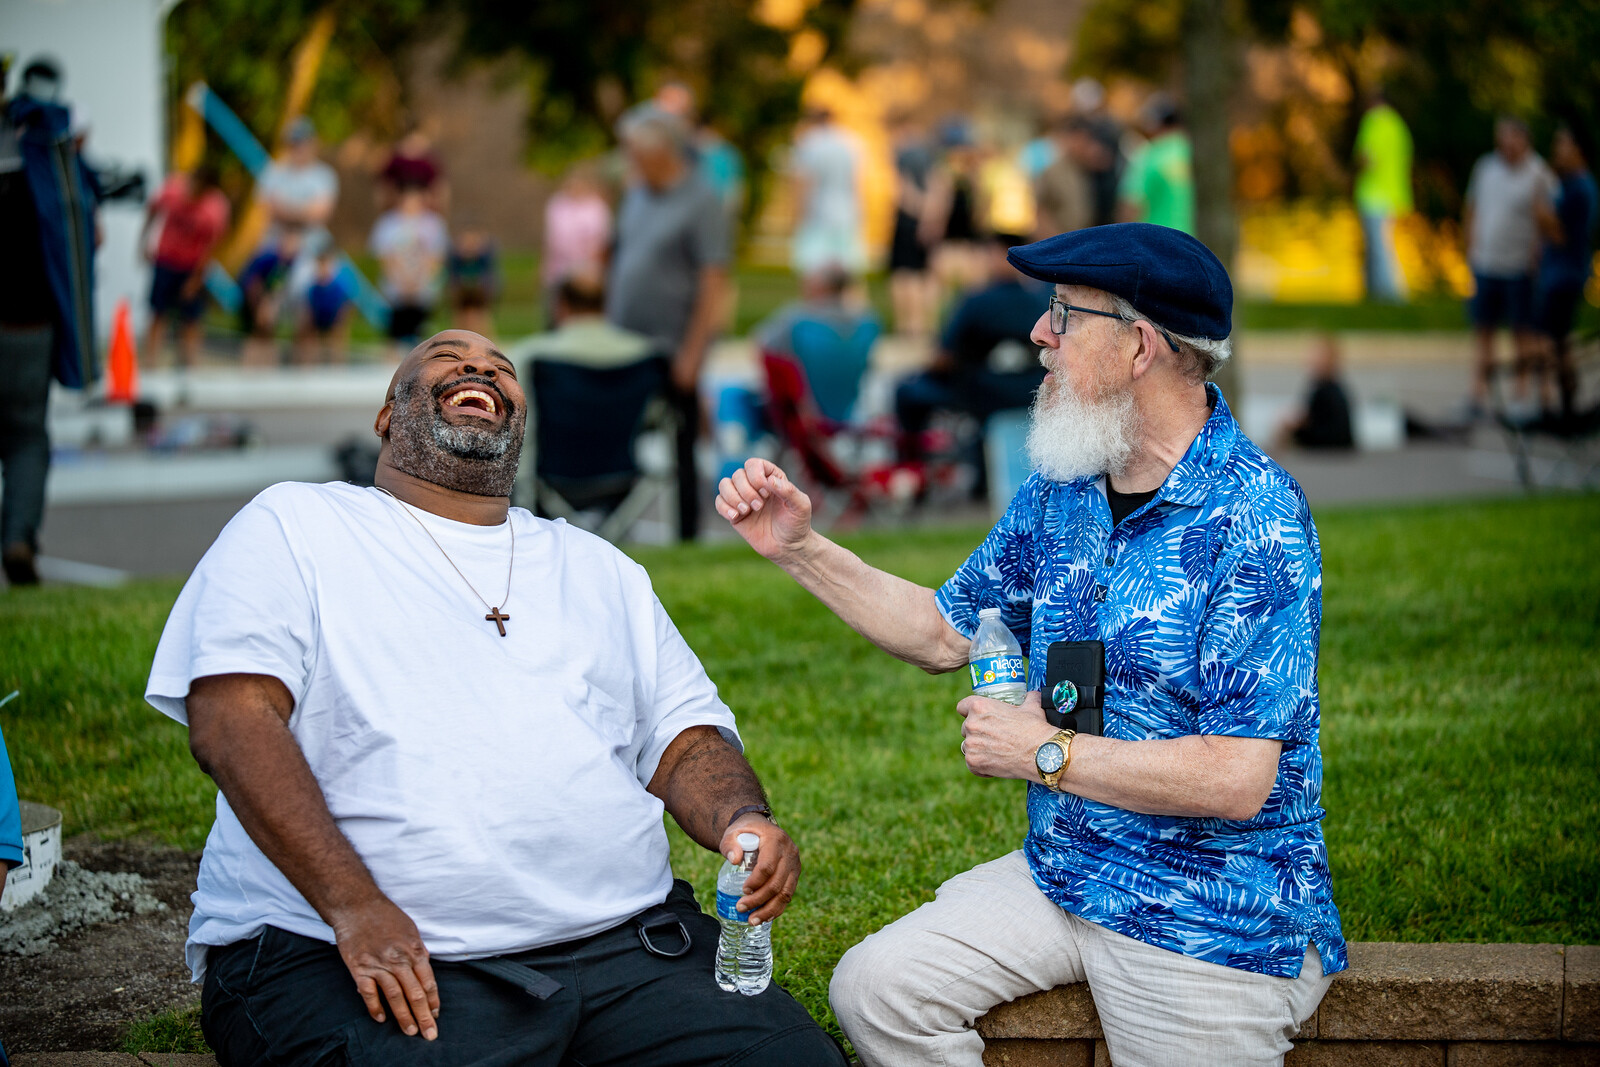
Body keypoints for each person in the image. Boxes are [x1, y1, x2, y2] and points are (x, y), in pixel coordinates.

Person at [718, 222, 1346, 1067]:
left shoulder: (1255, 519)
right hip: (1063, 873)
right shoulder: (1065, 488)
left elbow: (1237, 779)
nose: (1038, 335)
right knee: (877, 992)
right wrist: (799, 547)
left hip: (1210, 914)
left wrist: (1045, 754)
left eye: (1063, 314)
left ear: (1139, 347)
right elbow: (945, 629)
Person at [143, 328, 846, 1067]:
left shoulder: (598, 566)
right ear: (389, 415)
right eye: (447, 357)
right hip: (369, 955)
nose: (478, 366)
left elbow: (686, 738)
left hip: (627, 950)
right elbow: (232, 721)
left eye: (500, 367)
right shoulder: (296, 524)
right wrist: (355, 906)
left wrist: (745, 820)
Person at [606, 104, 731, 542]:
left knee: (680, 445)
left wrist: (693, 353)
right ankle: (613, 521)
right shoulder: (637, 194)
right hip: (624, 343)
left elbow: (713, 281)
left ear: (661, 151)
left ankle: (687, 534)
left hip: (671, 347)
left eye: (635, 151)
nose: (630, 159)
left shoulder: (701, 200)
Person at [1, 55, 99, 587]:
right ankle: (17, 538)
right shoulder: (49, 157)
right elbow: (85, 237)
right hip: (28, 328)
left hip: (23, 326)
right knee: (25, 440)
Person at [894, 232, 1049, 494]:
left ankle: (914, 473)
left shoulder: (976, 301)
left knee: (905, 391)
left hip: (981, 393)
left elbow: (943, 359)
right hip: (1032, 391)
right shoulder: (1041, 301)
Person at [1464, 116, 1558, 413]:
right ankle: (1479, 394)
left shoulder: (1539, 173)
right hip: (1485, 262)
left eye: (1512, 138)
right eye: (1502, 138)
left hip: (1519, 266)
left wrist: (1539, 254)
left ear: (1524, 139)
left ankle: (1521, 394)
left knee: (1523, 332)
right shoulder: (1486, 167)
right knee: (1483, 330)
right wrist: (1470, 247)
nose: (1506, 145)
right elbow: (1473, 208)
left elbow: (1551, 220)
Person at [756, 267, 880, 423]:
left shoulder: (797, 319)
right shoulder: (867, 322)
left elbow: (762, 346)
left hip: (804, 413)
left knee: (734, 395)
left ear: (820, 286)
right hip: (848, 408)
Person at [1533, 126, 1597, 419]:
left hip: (1566, 275)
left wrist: (1541, 210)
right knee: (1558, 340)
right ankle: (1564, 405)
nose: (1557, 149)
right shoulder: (1570, 184)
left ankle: (1561, 405)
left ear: (1578, 150)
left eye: (1563, 143)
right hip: (1559, 273)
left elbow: (1560, 234)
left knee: (1554, 340)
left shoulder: (1580, 189)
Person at [141, 162, 231, 368]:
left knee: (191, 317)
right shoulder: (173, 189)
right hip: (166, 259)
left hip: (192, 265)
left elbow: (214, 248)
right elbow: (152, 209)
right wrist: (144, 240)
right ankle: (151, 360)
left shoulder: (215, 208)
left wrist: (196, 280)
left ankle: (189, 362)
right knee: (158, 311)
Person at [1352, 88, 1412, 304]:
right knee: (1384, 245)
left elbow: (1366, 157)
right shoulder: (1398, 126)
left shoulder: (1374, 122)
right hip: (1394, 194)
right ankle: (1377, 293)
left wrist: (1355, 169)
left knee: (1378, 249)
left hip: (1373, 194)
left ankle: (1390, 296)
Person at [790, 107, 866, 277]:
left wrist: (797, 215)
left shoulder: (809, 143)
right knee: (848, 274)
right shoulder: (852, 142)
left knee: (814, 272)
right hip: (847, 213)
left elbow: (804, 182)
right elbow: (857, 182)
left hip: (817, 215)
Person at [370, 186, 449, 349]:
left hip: (423, 288)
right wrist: (402, 281)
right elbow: (385, 258)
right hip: (396, 288)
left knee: (422, 336)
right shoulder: (388, 223)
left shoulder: (433, 223)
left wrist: (419, 280)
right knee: (395, 333)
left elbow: (437, 257)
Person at [887, 119, 938, 338]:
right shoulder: (930, 154)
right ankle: (925, 323)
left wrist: (917, 213)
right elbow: (938, 188)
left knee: (903, 276)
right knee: (924, 275)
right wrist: (929, 218)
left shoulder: (902, 155)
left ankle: (907, 324)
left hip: (906, 221)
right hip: (928, 220)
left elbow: (902, 189)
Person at [542, 162, 612, 318]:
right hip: (559, 270)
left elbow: (601, 241)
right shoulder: (558, 204)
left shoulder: (596, 207)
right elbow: (552, 239)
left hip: (586, 269)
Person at [1118, 93, 1193, 235]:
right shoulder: (1196, 154)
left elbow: (1131, 204)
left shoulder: (1149, 156)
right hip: (1194, 244)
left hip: (1156, 243)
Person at [1276, 334, 1354, 450]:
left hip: (1331, 451)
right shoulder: (1326, 389)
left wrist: (1296, 428)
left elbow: (1333, 433)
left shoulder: (1328, 392)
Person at [238, 228, 303, 367]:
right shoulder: (268, 257)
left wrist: (273, 303)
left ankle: (268, 369)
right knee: (257, 332)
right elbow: (252, 284)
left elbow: (279, 287)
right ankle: (250, 367)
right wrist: (260, 306)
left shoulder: (292, 262)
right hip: (252, 298)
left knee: (269, 334)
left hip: (270, 301)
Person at [1033, 116, 1094, 239]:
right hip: (1057, 242)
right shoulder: (1053, 172)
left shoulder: (1086, 170)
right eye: (1078, 139)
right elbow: (1040, 211)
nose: (1081, 145)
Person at [299, 248, 352, 365]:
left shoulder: (339, 286)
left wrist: (339, 322)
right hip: (317, 319)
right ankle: (308, 365)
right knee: (307, 334)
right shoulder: (313, 287)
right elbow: (309, 308)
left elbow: (345, 307)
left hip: (334, 319)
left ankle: (337, 365)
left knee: (338, 335)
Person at [446, 222, 499, 336]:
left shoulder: (484, 256)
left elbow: (490, 277)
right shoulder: (456, 256)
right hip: (462, 291)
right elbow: (453, 277)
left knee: (481, 317)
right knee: (461, 318)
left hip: (480, 291)